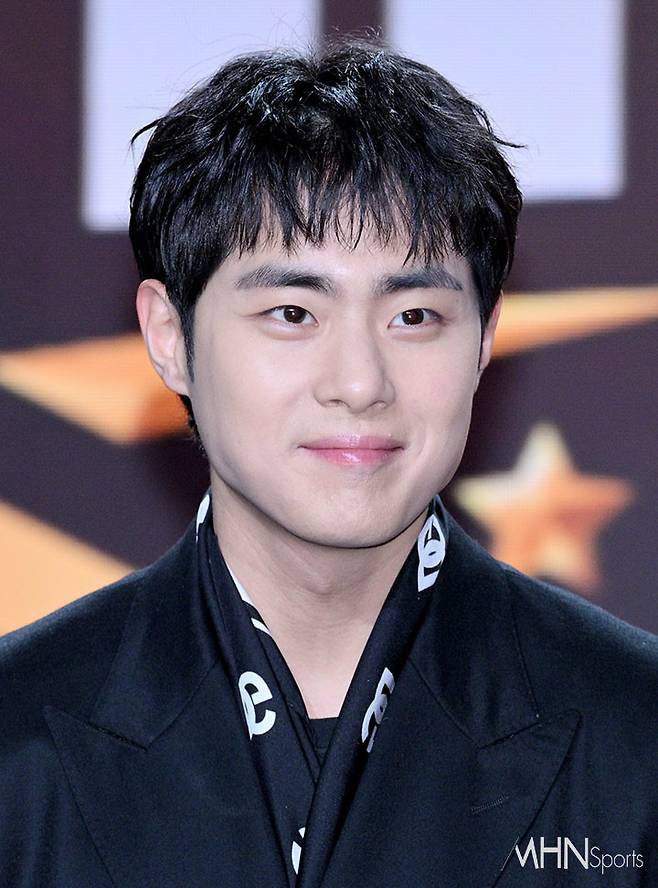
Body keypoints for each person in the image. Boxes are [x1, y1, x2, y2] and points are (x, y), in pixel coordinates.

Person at [1, 40, 656, 888]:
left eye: (415, 317)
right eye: (291, 313)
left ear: (486, 337)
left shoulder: (636, 733)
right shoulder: (17, 738)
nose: (359, 383)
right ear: (169, 337)